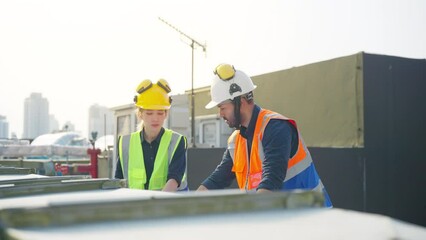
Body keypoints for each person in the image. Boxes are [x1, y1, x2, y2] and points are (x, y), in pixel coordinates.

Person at [197, 64, 332, 207]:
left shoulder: (276, 127)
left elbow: (271, 179)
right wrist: (192, 203)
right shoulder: (236, 140)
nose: (220, 114)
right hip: (283, 219)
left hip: (312, 217)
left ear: (240, 102)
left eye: (222, 108)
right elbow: (218, 179)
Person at [115, 79, 188, 192]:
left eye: (160, 113)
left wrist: (155, 207)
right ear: (140, 114)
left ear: (166, 114)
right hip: (135, 207)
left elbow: (174, 179)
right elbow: (118, 181)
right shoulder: (126, 143)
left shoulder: (176, 141)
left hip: (168, 206)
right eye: (149, 113)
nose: (155, 118)